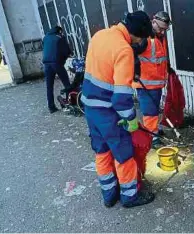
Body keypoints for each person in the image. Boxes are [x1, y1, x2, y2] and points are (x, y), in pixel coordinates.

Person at [81, 11, 154, 208]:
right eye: (143, 38)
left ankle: (109, 195)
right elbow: (121, 98)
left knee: (102, 151)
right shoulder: (124, 50)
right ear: (137, 35)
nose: (141, 43)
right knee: (124, 154)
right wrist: (130, 120)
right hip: (108, 111)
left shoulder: (99, 35)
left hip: (90, 107)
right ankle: (130, 196)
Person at [132, 11, 172, 145]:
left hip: (156, 84)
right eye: (160, 28)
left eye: (164, 29)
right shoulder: (144, 38)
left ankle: (154, 129)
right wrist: (135, 71)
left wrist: (168, 68)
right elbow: (131, 54)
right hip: (146, 84)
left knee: (154, 110)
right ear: (153, 21)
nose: (162, 31)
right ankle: (152, 138)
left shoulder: (160, 37)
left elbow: (161, 57)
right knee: (149, 112)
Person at [42, 26, 71, 113]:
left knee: (49, 87)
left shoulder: (45, 37)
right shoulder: (60, 37)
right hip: (57, 63)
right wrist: (63, 60)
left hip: (46, 64)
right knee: (67, 85)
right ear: (59, 31)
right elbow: (67, 51)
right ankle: (71, 103)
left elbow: (45, 49)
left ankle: (51, 107)